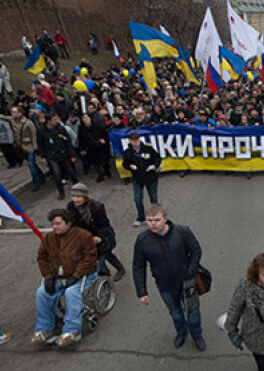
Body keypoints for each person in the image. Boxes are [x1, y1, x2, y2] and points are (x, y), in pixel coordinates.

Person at [132, 203, 206, 351]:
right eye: (149, 220)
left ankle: (197, 335)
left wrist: (190, 271)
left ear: (165, 219)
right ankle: (181, 332)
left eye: (157, 220)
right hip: (164, 285)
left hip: (187, 282)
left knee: (193, 313)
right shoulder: (142, 240)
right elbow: (138, 266)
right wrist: (142, 292)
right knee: (176, 313)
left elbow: (196, 251)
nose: (153, 224)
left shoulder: (182, 232)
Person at [32, 209, 97, 348]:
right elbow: (42, 258)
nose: (54, 227)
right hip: (57, 277)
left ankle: (71, 330)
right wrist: (48, 277)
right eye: (52, 224)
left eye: (58, 223)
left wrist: (77, 275)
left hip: (81, 276)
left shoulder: (83, 236)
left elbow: (89, 258)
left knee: (71, 293)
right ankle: (44, 329)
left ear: (68, 223)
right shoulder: (49, 238)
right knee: (41, 293)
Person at [67, 183, 125, 281]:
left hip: (103, 237)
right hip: (86, 238)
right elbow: (72, 223)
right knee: (104, 255)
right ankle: (114, 272)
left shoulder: (97, 207)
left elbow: (104, 225)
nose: (75, 199)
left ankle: (107, 276)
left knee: (100, 259)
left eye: (78, 196)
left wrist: (98, 237)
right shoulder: (71, 206)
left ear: (85, 197)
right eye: (73, 196)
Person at [122, 131, 161, 226]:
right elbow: (125, 164)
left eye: (137, 139)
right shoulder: (128, 153)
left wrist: (154, 166)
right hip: (137, 178)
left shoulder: (148, 148)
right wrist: (130, 166)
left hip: (150, 177)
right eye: (134, 140)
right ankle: (141, 217)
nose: (136, 141)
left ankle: (155, 216)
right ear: (130, 141)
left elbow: (157, 158)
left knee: (153, 197)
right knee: (137, 198)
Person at [0, 106, 44, 189]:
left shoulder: (28, 123)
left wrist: (35, 147)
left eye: (13, 112)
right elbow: (3, 117)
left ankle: (36, 183)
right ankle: (41, 176)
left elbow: (33, 135)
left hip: (29, 146)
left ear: (19, 113)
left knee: (31, 165)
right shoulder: (12, 120)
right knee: (32, 164)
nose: (12, 113)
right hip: (20, 147)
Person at [39, 113, 78, 200]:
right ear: (48, 121)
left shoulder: (60, 128)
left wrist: (72, 154)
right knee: (57, 173)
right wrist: (43, 156)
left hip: (63, 153)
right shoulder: (42, 130)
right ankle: (61, 191)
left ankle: (77, 186)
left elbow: (68, 141)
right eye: (54, 120)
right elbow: (41, 144)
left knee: (71, 170)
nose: (56, 121)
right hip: (52, 155)